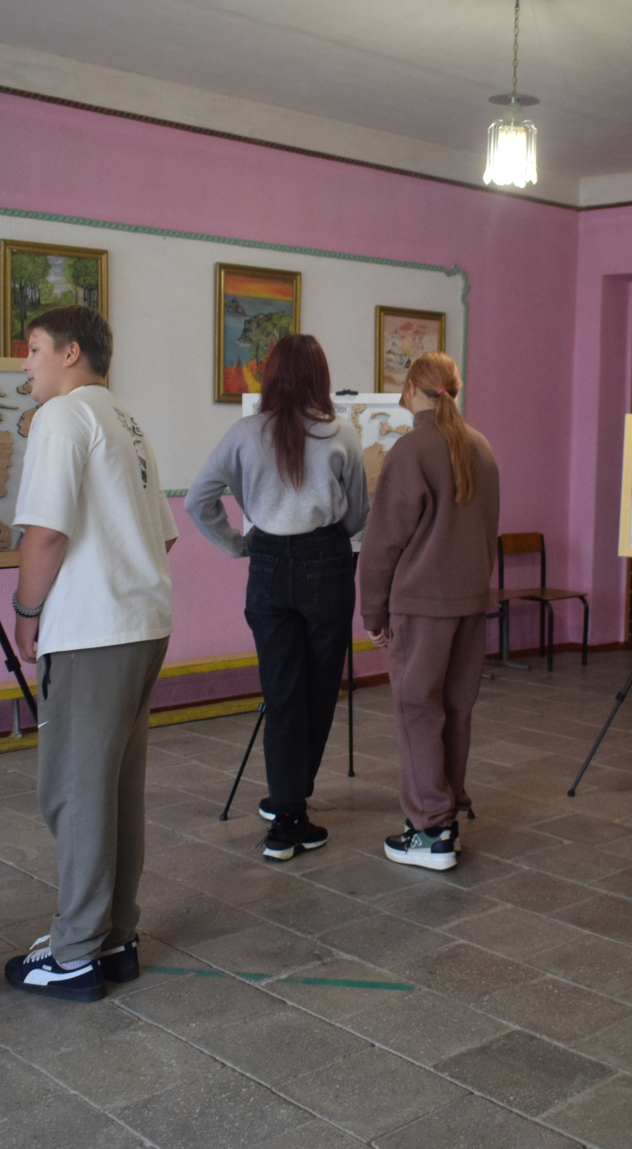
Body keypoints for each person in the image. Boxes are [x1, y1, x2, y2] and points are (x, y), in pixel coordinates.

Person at [4, 306, 177, 1002]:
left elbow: (45, 534)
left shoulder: (63, 416)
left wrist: (27, 613)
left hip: (92, 632)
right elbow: (164, 535)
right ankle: (114, 936)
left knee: (76, 792)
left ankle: (75, 951)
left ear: (71, 352)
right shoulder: (125, 421)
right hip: (141, 621)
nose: (25, 364)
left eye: (34, 349)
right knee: (115, 789)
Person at [186, 335, 368, 860]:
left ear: (270, 375)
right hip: (326, 561)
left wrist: (236, 544)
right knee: (320, 688)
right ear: (319, 376)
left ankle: (286, 806)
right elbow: (358, 514)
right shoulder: (341, 433)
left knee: (282, 690)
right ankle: (291, 806)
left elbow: (198, 500)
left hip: (266, 561)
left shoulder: (245, 432)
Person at [360, 352, 500, 871]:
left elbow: (383, 543)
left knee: (417, 710)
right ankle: (447, 814)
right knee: (456, 709)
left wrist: (373, 612)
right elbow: (487, 530)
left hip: (421, 606)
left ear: (410, 389)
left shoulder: (410, 449)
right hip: (470, 601)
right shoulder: (481, 446)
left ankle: (429, 830)